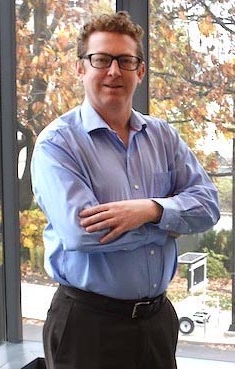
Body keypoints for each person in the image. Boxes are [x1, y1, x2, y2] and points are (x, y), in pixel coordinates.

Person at [30, 11, 220, 369]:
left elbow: (208, 206)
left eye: (126, 61)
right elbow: (81, 233)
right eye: (101, 60)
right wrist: (169, 225)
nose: (114, 71)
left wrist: (150, 210)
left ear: (140, 71)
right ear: (80, 69)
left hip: (157, 321)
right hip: (88, 326)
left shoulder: (163, 136)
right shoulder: (58, 144)